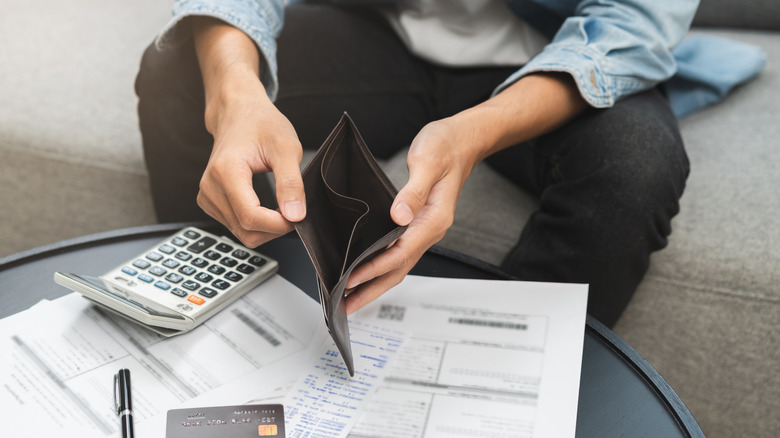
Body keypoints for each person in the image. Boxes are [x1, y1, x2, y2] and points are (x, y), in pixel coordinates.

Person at [135, 0, 696, 327]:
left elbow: (634, 25)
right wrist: (236, 95)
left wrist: (474, 133)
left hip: (550, 58)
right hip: (388, 35)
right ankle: (232, 321)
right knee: (183, 69)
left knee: (634, 170)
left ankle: (502, 385)